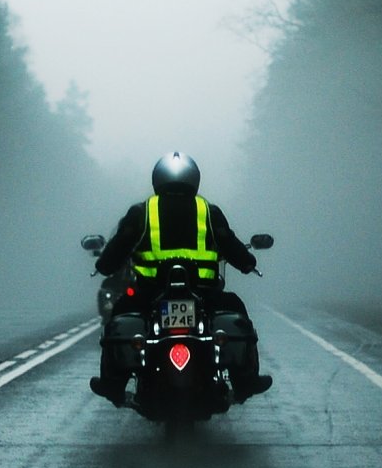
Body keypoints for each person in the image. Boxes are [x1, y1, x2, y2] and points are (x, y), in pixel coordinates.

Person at [89, 151, 272, 406]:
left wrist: (104, 264)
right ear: (194, 178)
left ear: (158, 179)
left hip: (149, 294)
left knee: (120, 315)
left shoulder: (142, 212)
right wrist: (247, 262)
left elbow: (119, 245)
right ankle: (245, 380)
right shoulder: (208, 211)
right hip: (205, 293)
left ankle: (113, 382)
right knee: (236, 309)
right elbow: (229, 243)